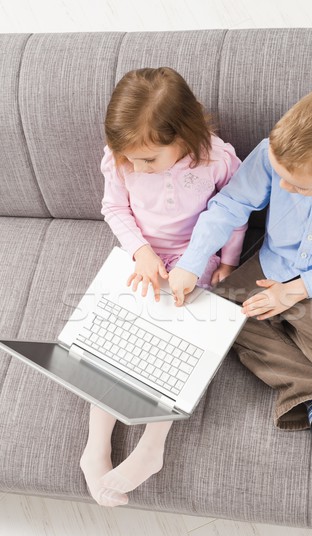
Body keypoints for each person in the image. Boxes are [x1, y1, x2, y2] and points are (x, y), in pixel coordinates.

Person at [169, 82, 312, 442]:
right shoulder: (269, 152)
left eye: (298, 186)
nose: (284, 187)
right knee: (214, 314)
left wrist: (294, 293)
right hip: (273, 262)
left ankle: (307, 359)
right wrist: (191, 262)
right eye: (280, 175)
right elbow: (231, 206)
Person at [80, 67, 247, 506]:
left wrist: (228, 263)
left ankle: (152, 447)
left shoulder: (217, 161)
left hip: (194, 259)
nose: (136, 167)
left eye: (149, 160)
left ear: (186, 137)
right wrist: (139, 251)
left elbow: (234, 213)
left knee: (179, 337)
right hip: (144, 258)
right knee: (116, 338)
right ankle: (96, 444)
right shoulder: (121, 159)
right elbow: (113, 207)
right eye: (129, 158)